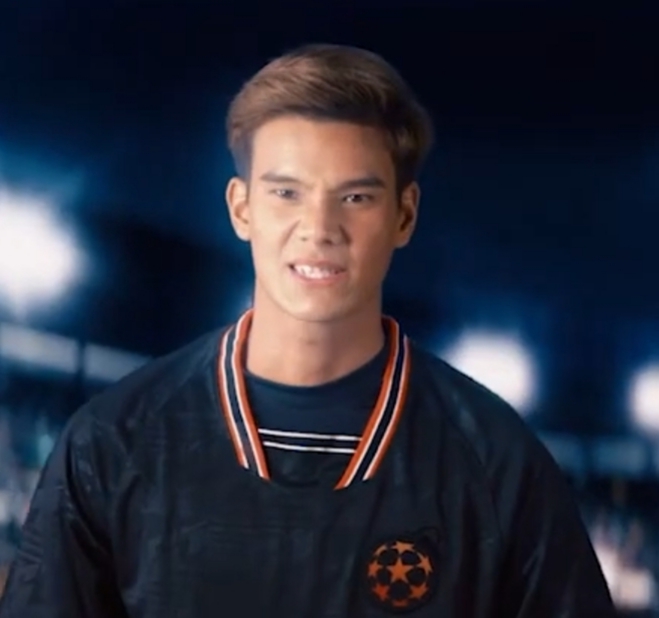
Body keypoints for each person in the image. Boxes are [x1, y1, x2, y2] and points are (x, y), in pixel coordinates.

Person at [0, 44, 616, 618]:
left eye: (355, 198)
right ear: (242, 207)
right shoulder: (111, 444)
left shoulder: (497, 461)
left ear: (404, 215)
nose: (319, 228)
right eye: (287, 193)